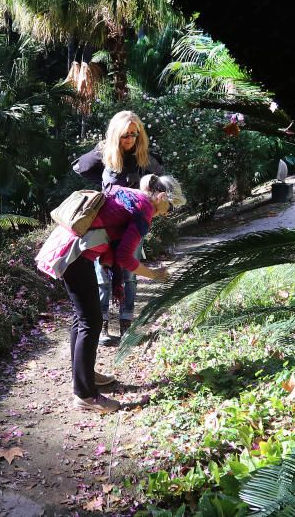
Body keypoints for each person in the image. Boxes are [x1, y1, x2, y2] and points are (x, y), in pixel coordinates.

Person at [37, 175, 186, 413]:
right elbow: (125, 258)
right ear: (160, 197)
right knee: (90, 321)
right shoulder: (144, 208)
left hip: (67, 247)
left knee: (82, 318)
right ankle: (85, 395)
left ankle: (84, 376)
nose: (167, 213)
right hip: (75, 255)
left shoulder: (129, 195)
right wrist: (154, 274)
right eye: (169, 206)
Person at [73, 111, 165, 344]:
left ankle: (127, 325)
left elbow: (160, 177)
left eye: (135, 134)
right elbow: (80, 167)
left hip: (133, 225)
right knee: (102, 275)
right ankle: (102, 325)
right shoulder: (105, 154)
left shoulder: (144, 157)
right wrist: (105, 187)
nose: (130, 139)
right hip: (107, 225)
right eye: (125, 135)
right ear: (116, 134)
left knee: (129, 275)